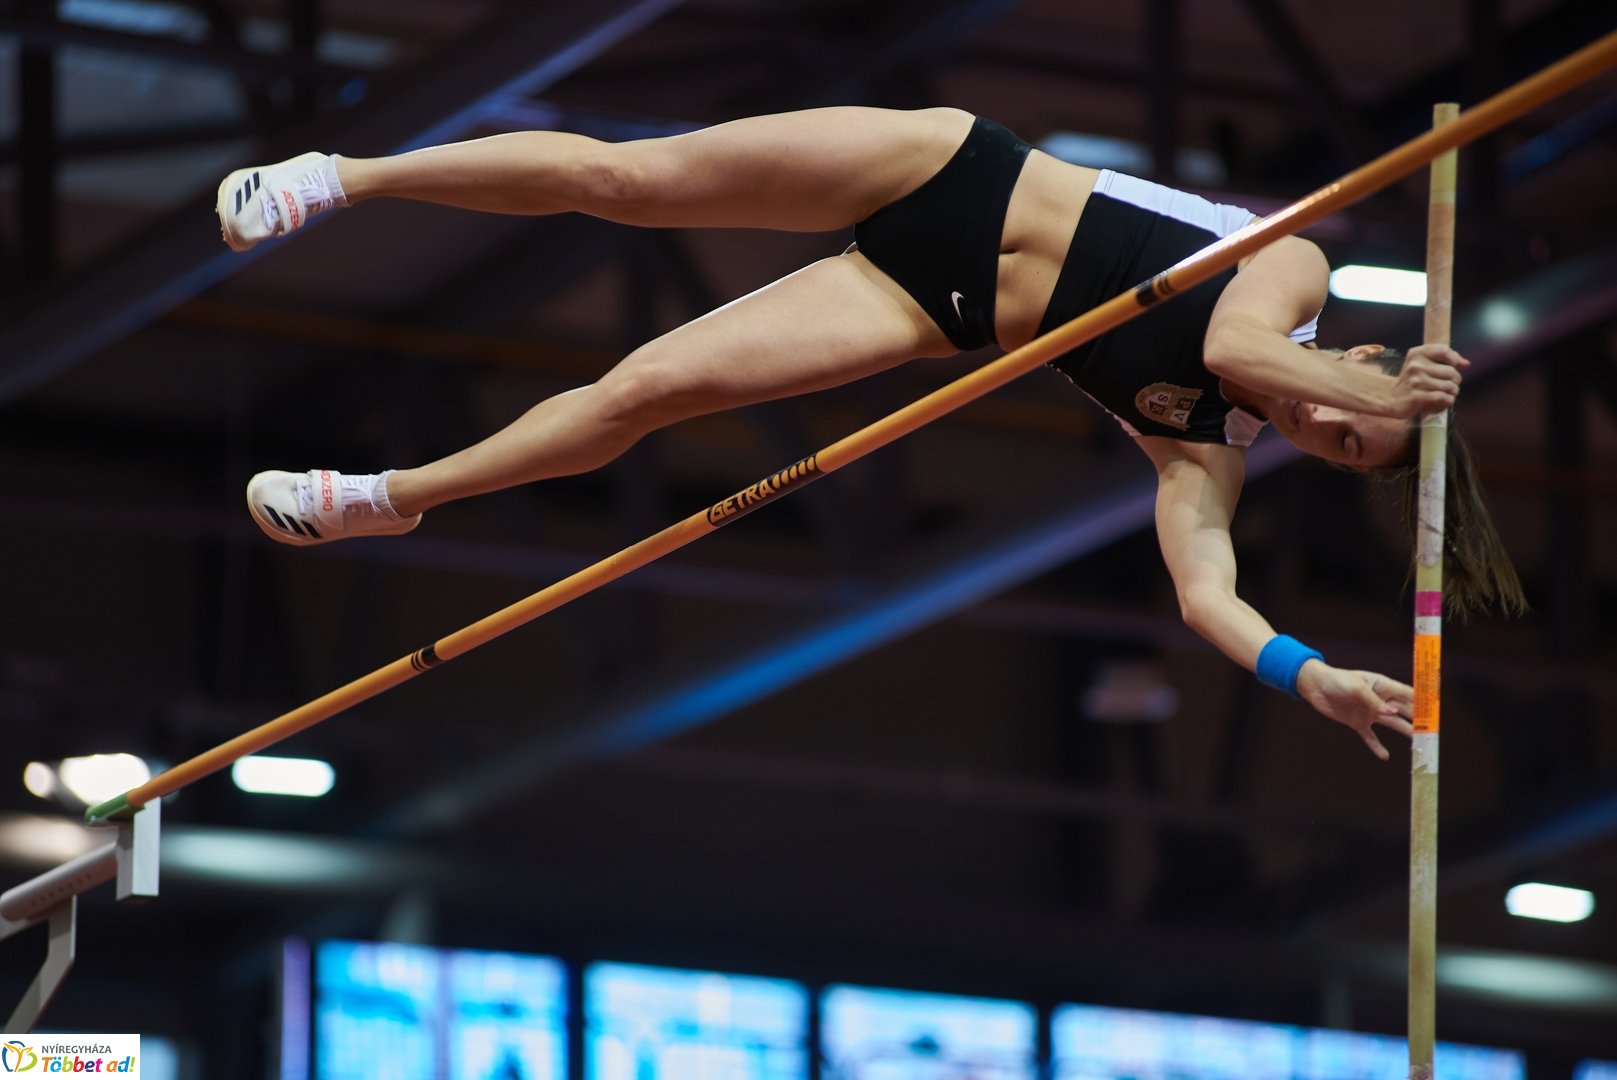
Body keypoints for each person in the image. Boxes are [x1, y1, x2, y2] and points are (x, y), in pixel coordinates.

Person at [215, 106, 1525, 758]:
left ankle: (396, 497)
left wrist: (1304, 675)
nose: (1314, 425)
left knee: (640, 393)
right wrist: (1376, 403)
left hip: (922, 304)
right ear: (1363, 360)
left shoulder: (1202, 447)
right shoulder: (1291, 279)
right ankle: (343, 179)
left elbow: (1203, 593)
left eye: (1338, 450)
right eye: (1342, 411)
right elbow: (1243, 347)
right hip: (950, 172)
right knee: (633, 181)